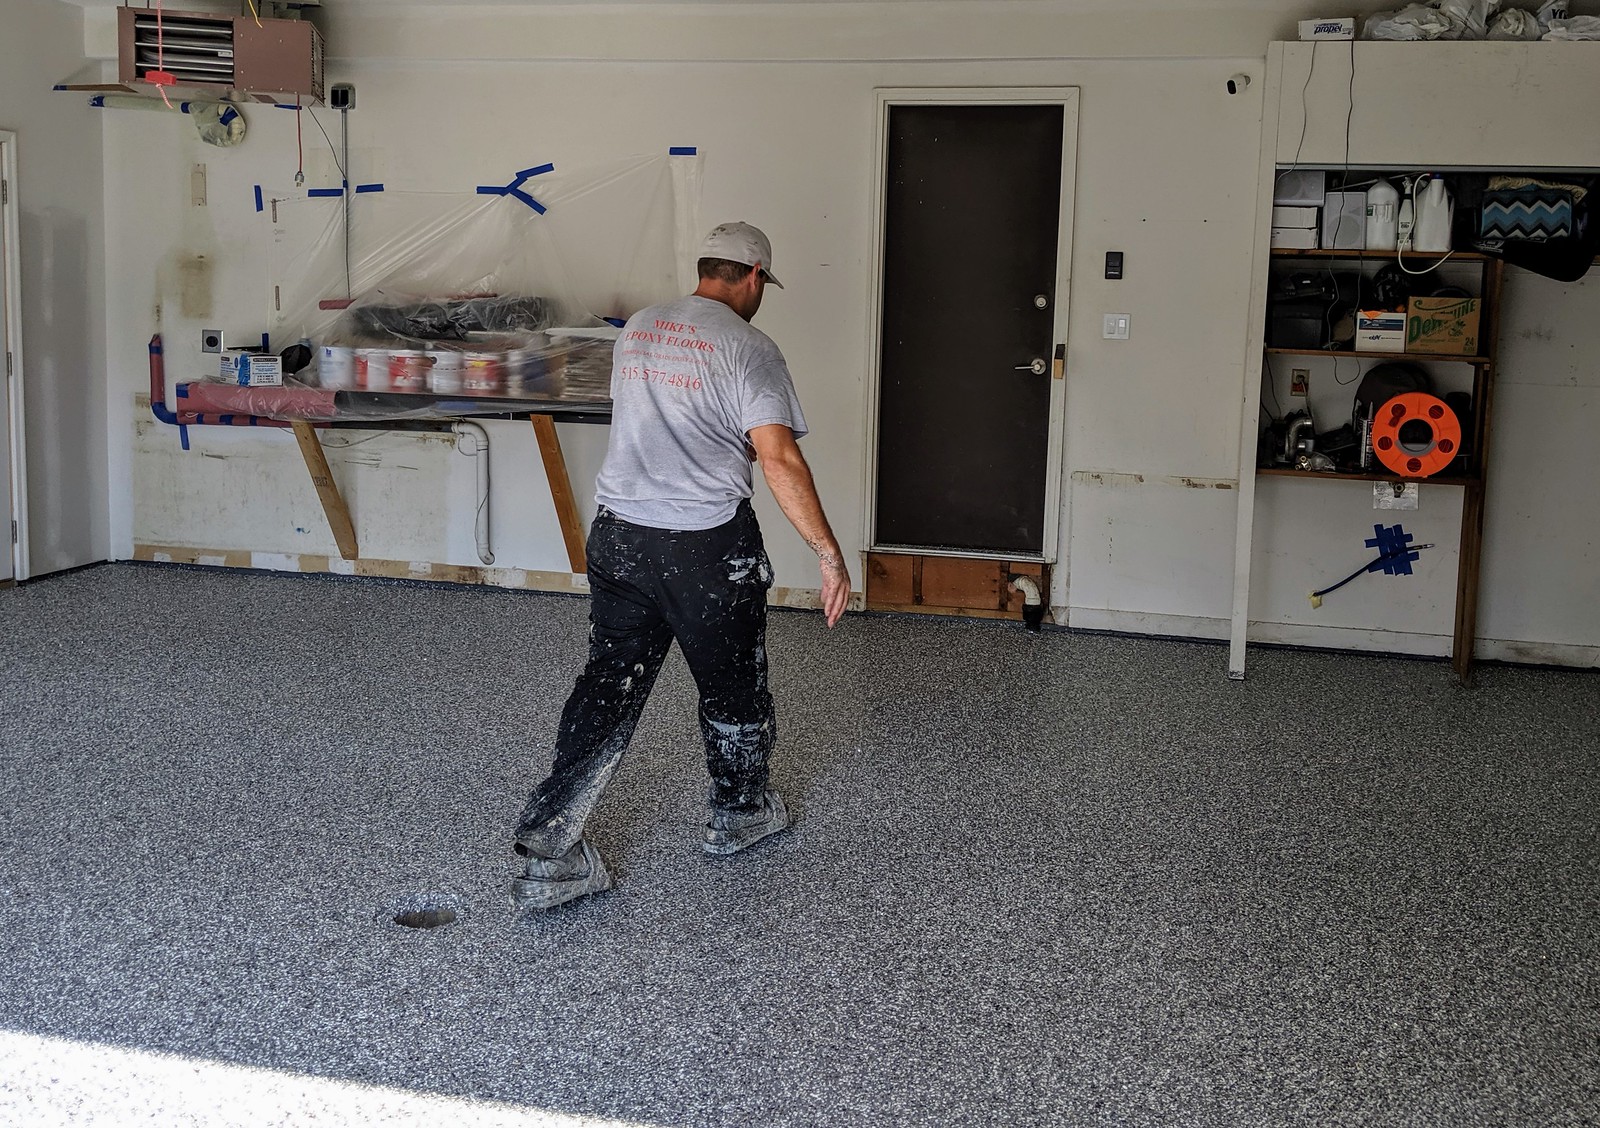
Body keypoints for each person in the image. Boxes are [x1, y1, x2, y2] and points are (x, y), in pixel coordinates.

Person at [510, 221, 850, 911]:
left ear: (706, 268)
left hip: (619, 537)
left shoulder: (640, 326)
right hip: (703, 546)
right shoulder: (750, 346)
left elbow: (658, 419)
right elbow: (779, 458)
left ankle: (551, 850)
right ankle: (739, 814)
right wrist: (828, 553)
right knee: (733, 687)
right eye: (763, 284)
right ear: (753, 277)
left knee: (608, 683)